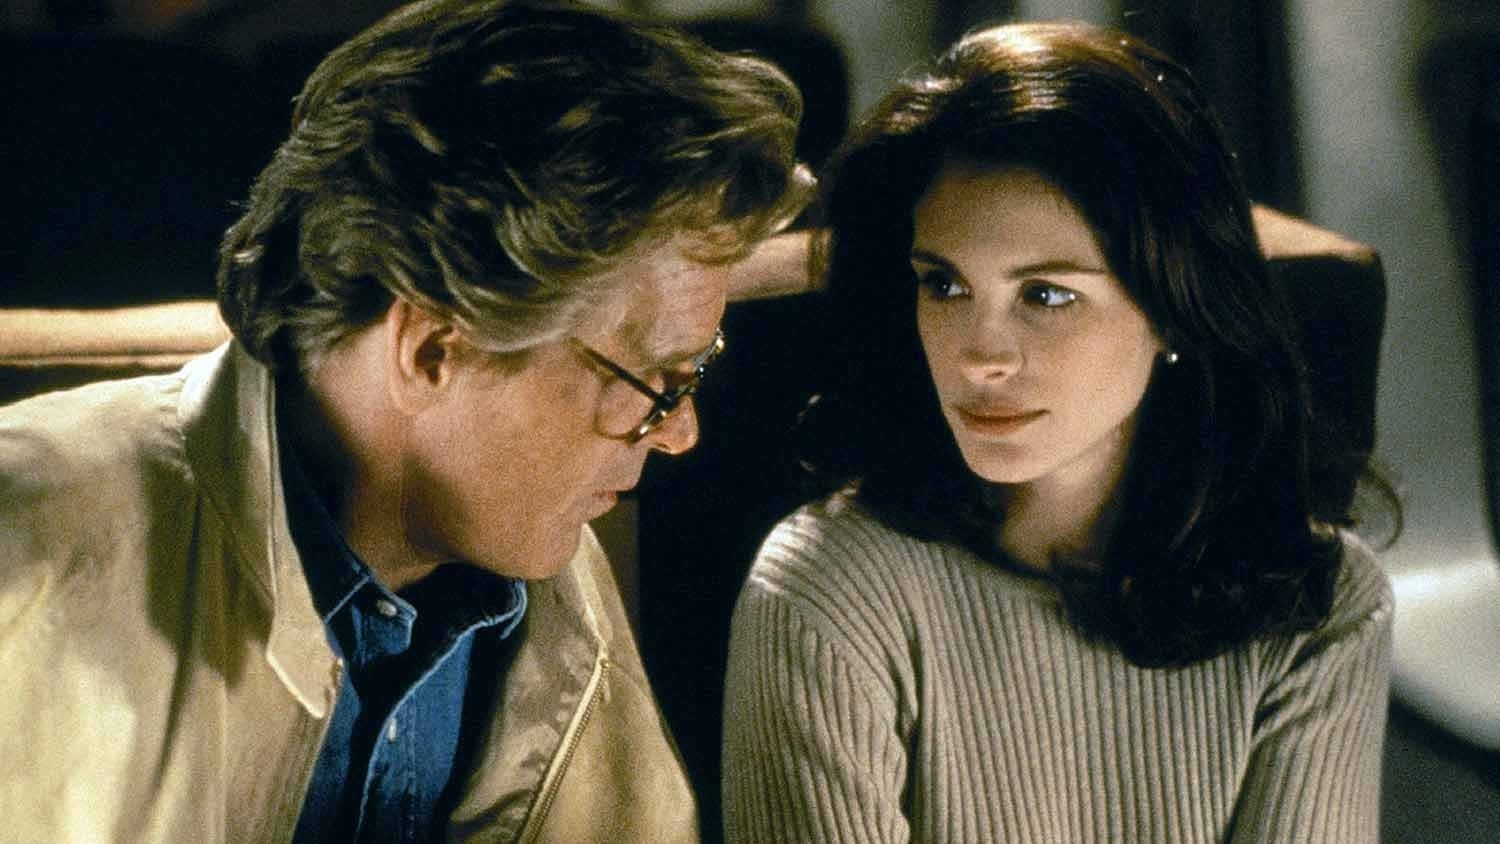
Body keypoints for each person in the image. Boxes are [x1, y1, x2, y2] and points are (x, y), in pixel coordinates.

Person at [0, 1, 808, 840]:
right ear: (430, 352)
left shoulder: (548, 575)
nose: (678, 432)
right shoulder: (28, 559)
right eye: (654, 381)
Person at [722, 21, 1395, 843]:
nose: (980, 357)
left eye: (1045, 295)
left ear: (1173, 307)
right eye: (944, 285)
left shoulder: (1321, 601)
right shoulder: (828, 591)